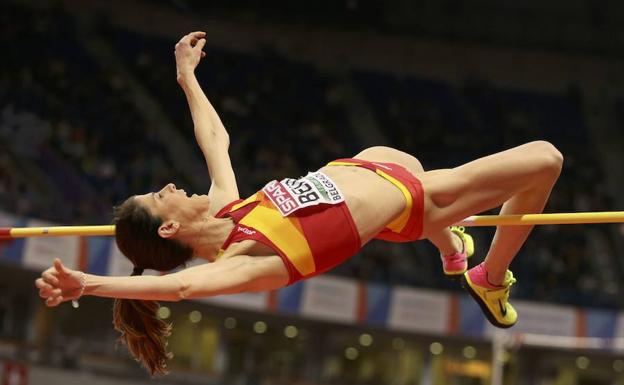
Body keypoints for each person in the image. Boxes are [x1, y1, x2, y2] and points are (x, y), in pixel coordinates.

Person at [35, 31, 563, 375]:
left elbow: (214, 139)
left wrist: (186, 78)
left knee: (409, 166)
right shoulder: (244, 261)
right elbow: (182, 285)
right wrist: (89, 283)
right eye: (159, 197)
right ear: (169, 228)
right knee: (545, 159)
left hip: (370, 167)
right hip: (413, 203)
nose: (170, 186)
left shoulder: (227, 208)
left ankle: (450, 246)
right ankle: (488, 276)